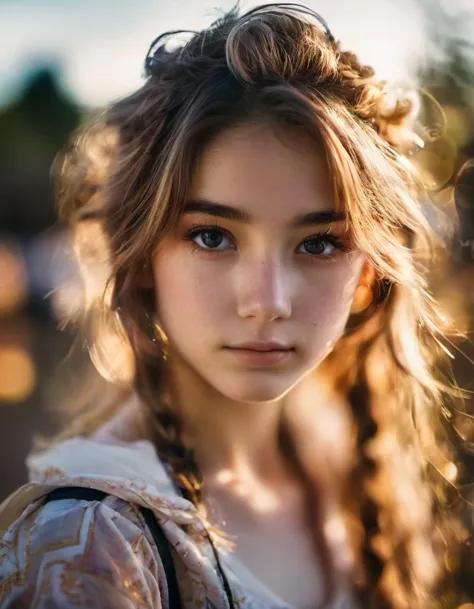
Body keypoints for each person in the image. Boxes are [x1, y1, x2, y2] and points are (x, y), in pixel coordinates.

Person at [0, 4, 471, 608]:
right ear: (143, 258)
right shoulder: (90, 547)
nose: (267, 302)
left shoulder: (358, 461)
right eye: (212, 236)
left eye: (320, 243)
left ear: (368, 274)